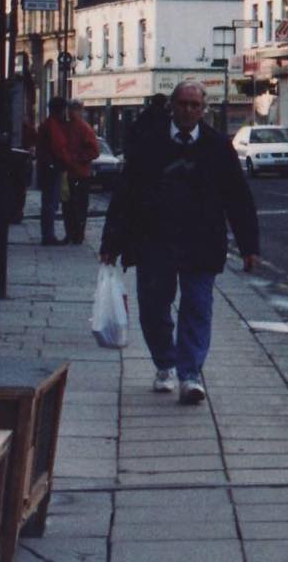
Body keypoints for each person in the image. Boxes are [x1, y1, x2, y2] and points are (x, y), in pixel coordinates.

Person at [100, 80, 259, 406]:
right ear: (172, 106)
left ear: (204, 110)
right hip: (155, 239)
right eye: (183, 104)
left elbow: (237, 197)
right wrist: (111, 241)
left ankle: (189, 375)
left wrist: (249, 245)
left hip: (201, 241)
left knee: (197, 307)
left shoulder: (217, 146)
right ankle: (164, 363)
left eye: (195, 106)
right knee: (153, 308)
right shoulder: (149, 143)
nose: (189, 111)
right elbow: (125, 194)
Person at [50, 100, 100, 245]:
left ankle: (73, 234)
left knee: (71, 206)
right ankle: (75, 234)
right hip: (76, 173)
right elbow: (94, 151)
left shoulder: (73, 127)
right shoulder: (81, 127)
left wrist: (73, 158)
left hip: (73, 172)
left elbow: (93, 151)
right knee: (76, 206)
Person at [35, 98, 68, 245]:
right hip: (51, 167)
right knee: (50, 202)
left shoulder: (47, 125)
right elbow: (58, 147)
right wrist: (67, 161)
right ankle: (48, 236)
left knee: (48, 202)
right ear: (60, 110)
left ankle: (47, 234)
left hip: (46, 166)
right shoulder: (52, 126)